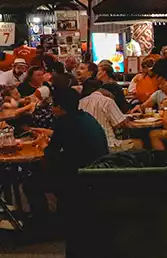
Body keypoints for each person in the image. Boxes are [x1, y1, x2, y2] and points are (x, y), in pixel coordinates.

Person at [28, 87, 108, 222]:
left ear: (59, 107)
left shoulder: (63, 122)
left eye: (53, 106)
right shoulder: (84, 116)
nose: (51, 109)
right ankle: (63, 212)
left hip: (79, 175)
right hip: (98, 168)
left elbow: (51, 152)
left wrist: (42, 144)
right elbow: (73, 136)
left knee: (31, 183)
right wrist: (47, 132)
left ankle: (42, 222)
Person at [79, 79, 142, 151]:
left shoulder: (81, 102)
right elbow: (122, 124)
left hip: (86, 146)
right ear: (111, 94)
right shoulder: (107, 101)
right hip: (107, 145)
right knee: (139, 143)